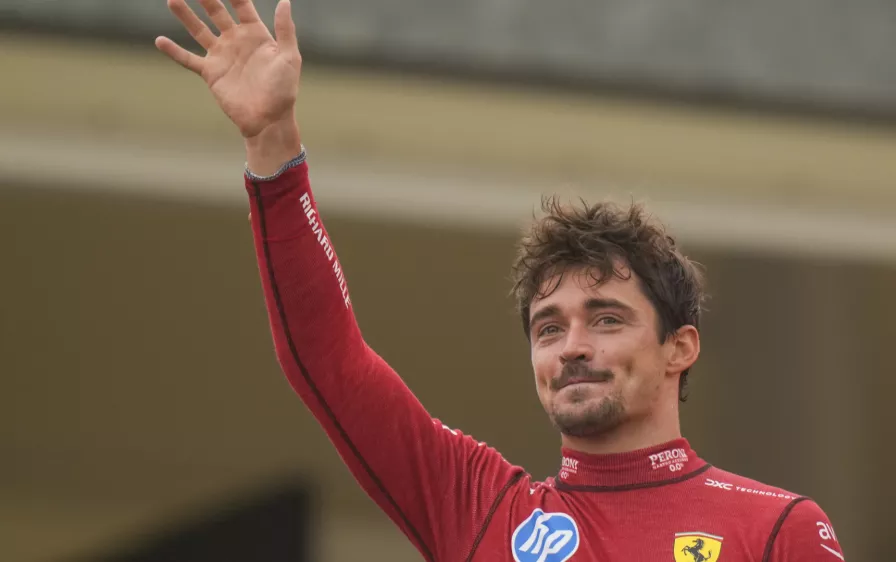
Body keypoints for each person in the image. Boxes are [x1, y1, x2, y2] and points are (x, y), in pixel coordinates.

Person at [156, 1, 847, 560]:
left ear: (680, 347)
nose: (572, 345)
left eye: (606, 318)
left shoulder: (777, 529)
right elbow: (326, 360)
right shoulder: (480, 507)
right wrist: (273, 144)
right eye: (549, 328)